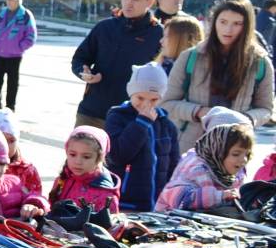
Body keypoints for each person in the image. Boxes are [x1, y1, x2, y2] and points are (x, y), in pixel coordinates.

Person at [159, 0, 274, 153]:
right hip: (189, 149)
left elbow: (266, 110)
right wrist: (199, 112)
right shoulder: (191, 57)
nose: (228, 29)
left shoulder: (260, 63)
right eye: (223, 22)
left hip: (234, 150)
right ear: (214, 22)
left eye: (237, 24)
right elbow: (167, 103)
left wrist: (244, 119)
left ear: (247, 26)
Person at [70, 0, 163, 129]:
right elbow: (80, 59)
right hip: (91, 112)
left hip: (131, 117)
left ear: (150, 1)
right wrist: (84, 72)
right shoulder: (104, 27)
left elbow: (164, 77)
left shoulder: (158, 34)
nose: (128, 4)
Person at [104, 63, 180, 211]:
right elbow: (117, 155)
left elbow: (173, 165)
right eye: (140, 97)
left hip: (157, 203)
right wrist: (141, 123)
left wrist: (169, 196)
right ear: (131, 92)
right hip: (125, 202)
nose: (146, 104)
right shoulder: (118, 117)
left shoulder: (167, 125)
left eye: (153, 100)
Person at [156, 121, 253, 214]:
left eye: (247, 154)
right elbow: (181, 199)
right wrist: (220, 196)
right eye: (236, 154)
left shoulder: (234, 172)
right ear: (217, 151)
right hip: (167, 220)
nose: (243, 159)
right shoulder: (197, 168)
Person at [48, 126, 121, 213]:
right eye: (72, 154)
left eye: (86, 157)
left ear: (99, 158)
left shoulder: (106, 195)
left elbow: (108, 225)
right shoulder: (62, 180)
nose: (78, 162)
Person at [0, 0, 36, 111]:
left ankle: (10, 106)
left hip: (15, 56)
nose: (10, 2)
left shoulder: (25, 15)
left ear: (19, 1)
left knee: (12, 82)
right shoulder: (1, 13)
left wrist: (19, 48)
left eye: (12, 0)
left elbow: (31, 36)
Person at [0, 109, 42, 195]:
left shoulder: (27, 171)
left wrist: (31, 204)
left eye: (11, 140)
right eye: (1, 140)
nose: (6, 146)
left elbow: (37, 197)